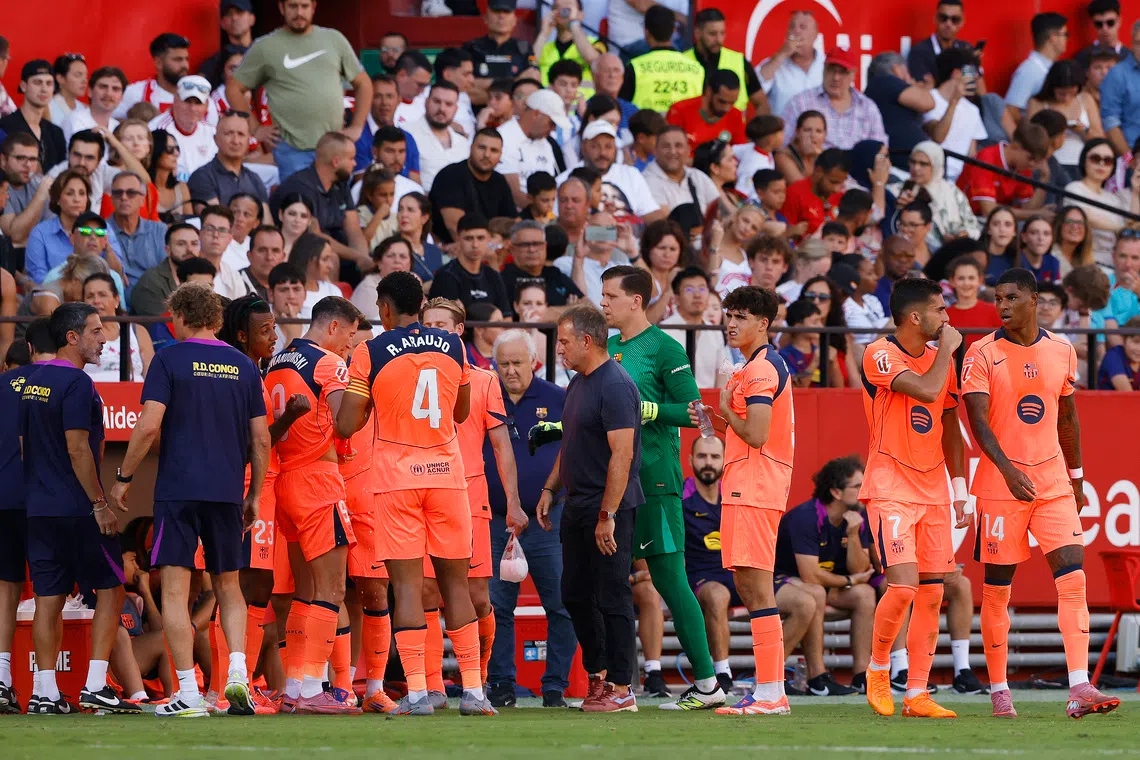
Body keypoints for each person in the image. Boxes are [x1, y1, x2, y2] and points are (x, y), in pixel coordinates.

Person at [960, 268, 1120, 719]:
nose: (1003, 305)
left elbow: (1067, 417)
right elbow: (978, 420)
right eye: (998, 298)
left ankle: (1078, 687)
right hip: (1000, 485)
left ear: (1034, 300)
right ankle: (999, 689)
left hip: (1052, 483)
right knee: (997, 591)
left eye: (1011, 297)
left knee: (1073, 578)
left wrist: (1077, 476)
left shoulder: (1062, 349)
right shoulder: (981, 353)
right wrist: (1007, 470)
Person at [336, 271, 495, 717]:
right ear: (422, 305)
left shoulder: (370, 351)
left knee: (406, 586)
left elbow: (346, 425)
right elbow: (461, 411)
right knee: (455, 585)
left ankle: (421, 693)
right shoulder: (454, 346)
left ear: (385, 309)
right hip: (447, 476)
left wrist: (373, 404)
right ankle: (473, 692)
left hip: (396, 480)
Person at [108, 283, 268, 716]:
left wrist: (123, 477)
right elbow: (261, 439)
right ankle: (237, 676)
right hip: (226, 491)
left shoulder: (169, 358)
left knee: (176, 593)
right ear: (216, 320)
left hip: (178, 491)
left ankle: (189, 695)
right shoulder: (244, 365)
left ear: (178, 316)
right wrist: (253, 494)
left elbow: (146, 427)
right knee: (230, 587)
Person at [594, 267, 725, 710]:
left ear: (637, 301)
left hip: (655, 478)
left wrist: (649, 408)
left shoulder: (666, 348)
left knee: (670, 581)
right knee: (603, 581)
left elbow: (696, 414)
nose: (603, 303)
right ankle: (612, 686)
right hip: (612, 476)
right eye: (602, 295)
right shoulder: (607, 347)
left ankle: (708, 685)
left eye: (610, 295)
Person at [17, 304, 138, 715]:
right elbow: (77, 447)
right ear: (72, 337)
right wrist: (100, 504)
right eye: (96, 330)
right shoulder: (79, 385)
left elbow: (22, 445)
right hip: (78, 508)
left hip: (38, 508)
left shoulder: (30, 383)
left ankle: (44, 692)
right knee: (113, 587)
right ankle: (94, 684)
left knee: (48, 597)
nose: (104, 338)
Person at [859, 276, 969, 719]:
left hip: (934, 490)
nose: (948, 318)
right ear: (915, 317)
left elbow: (949, 424)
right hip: (891, 486)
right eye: (941, 310)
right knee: (902, 586)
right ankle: (879, 668)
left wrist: (960, 490)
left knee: (932, 594)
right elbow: (924, 390)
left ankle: (917, 694)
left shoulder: (943, 359)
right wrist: (947, 349)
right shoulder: (879, 353)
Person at [686, 286, 794, 716]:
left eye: (742, 317)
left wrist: (727, 413)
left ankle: (771, 691)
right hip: (748, 482)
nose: (732, 324)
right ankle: (770, 689)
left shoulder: (761, 369)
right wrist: (721, 418)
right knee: (750, 586)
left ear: (764, 324)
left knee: (754, 585)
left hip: (756, 485)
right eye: (729, 315)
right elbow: (745, 434)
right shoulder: (753, 367)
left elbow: (757, 434)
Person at [532, 305, 641, 713]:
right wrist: (549, 488)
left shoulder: (615, 385)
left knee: (613, 595)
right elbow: (571, 443)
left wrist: (608, 515)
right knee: (574, 594)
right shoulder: (578, 383)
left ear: (586, 341)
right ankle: (597, 677)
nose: (559, 348)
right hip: (577, 505)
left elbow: (622, 455)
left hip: (608, 508)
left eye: (563, 341)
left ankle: (622, 687)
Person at [420, 299, 526, 706]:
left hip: (470, 499)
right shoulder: (411, 376)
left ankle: (476, 681)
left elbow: (501, 446)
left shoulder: (483, 380)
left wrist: (514, 503)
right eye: (428, 325)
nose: (435, 331)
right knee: (428, 592)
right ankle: (431, 685)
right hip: (425, 495)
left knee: (479, 596)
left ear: (459, 329)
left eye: (442, 325)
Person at [264, 295, 363, 714]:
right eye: (351, 336)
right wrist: (367, 392)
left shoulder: (277, 362)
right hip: (319, 481)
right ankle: (310, 689)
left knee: (304, 592)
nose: (350, 346)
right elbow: (344, 422)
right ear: (335, 327)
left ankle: (293, 686)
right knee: (332, 589)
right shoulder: (328, 363)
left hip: (285, 479)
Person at [485, 329, 577, 707]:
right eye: (503, 363)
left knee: (560, 604)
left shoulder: (559, 398)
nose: (510, 370)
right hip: (495, 521)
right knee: (496, 608)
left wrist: (550, 494)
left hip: (547, 520)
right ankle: (502, 684)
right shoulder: (485, 399)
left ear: (534, 361)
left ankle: (554, 685)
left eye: (517, 362)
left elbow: (572, 452)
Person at [229, 0, 371, 180]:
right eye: (293, 6)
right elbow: (233, 88)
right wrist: (255, 128)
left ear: (313, 7)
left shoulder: (334, 40)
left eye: (304, 6)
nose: (299, 12)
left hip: (335, 149)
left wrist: (357, 126)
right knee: (298, 206)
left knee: (336, 207)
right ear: (281, 8)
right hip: (292, 152)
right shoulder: (265, 46)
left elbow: (364, 84)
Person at [774, 456, 874, 696]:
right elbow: (810, 575)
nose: (864, 491)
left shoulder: (856, 517)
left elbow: (861, 569)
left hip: (823, 583)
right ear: (836, 492)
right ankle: (817, 676)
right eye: (858, 486)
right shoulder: (806, 516)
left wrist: (852, 534)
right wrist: (849, 581)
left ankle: (862, 676)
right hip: (783, 582)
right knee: (816, 592)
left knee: (865, 595)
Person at [0, 319, 54, 714]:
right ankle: (43, 688)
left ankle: (2, 680)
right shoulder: (59, 382)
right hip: (46, 501)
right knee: (48, 595)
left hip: (6, 498)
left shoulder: (2, 385)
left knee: (7, 591)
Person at [270, 132, 369, 269]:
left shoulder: (340, 184)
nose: (355, 163)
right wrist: (357, 257)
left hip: (342, 251)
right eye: (351, 158)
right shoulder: (301, 187)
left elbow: (354, 230)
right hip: (302, 255)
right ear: (336, 161)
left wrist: (364, 262)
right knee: (330, 258)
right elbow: (316, 236)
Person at [781, 48, 888, 152]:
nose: (836, 77)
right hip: (812, 167)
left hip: (857, 168)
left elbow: (880, 150)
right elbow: (781, 147)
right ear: (823, 69)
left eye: (843, 72)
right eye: (831, 69)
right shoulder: (800, 103)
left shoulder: (868, 108)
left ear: (853, 74)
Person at [429, 128, 517, 245]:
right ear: (471, 148)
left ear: (500, 155)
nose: (487, 155)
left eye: (494, 150)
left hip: (491, 247)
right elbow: (456, 228)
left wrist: (500, 240)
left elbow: (512, 223)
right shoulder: (450, 175)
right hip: (452, 249)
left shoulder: (499, 181)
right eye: (482, 148)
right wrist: (490, 244)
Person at [1064, 138, 1140, 266]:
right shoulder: (1074, 188)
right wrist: (1122, 228)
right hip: (1085, 260)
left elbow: (1134, 226)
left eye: (1108, 161)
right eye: (1095, 158)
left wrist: (1136, 192)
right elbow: (1086, 218)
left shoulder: (1114, 198)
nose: (1101, 164)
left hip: (1115, 264)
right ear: (1084, 160)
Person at [893, 142, 980, 248]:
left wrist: (961, 236)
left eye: (923, 164)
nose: (916, 168)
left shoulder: (952, 192)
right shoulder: (898, 190)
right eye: (913, 162)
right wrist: (900, 208)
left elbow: (973, 227)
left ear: (936, 165)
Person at [621, 6, 705, 115]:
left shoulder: (635, 67)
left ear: (646, 32)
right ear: (674, 30)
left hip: (644, 130)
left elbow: (623, 107)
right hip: (684, 130)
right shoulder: (697, 69)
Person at [957, 121, 1050, 218]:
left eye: (1037, 160)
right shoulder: (987, 158)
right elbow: (988, 211)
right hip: (964, 215)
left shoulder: (1023, 168)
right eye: (1030, 158)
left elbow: (1028, 208)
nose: (1033, 164)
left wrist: (1045, 178)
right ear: (1015, 146)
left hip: (994, 222)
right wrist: (1036, 214)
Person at [496, 90, 571, 207]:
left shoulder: (546, 144)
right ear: (536, 114)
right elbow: (513, 194)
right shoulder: (504, 138)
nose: (553, 129)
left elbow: (549, 188)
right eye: (551, 123)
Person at [684, 8, 767, 113]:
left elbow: (762, 103)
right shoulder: (681, 61)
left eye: (722, 33)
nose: (719, 39)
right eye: (712, 34)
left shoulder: (739, 61)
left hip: (733, 128)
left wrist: (755, 129)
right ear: (697, 33)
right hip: (692, 127)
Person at [428, 213, 512, 315]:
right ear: (458, 239)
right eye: (468, 238)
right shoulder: (446, 275)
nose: (475, 245)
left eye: (480, 238)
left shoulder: (493, 276)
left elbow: (507, 317)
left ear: (488, 239)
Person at [923, 50, 987, 182]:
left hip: (960, 183)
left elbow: (972, 154)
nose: (976, 77)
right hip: (932, 176)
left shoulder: (972, 110)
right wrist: (954, 102)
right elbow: (938, 136)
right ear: (956, 73)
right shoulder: (928, 99)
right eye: (971, 71)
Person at [865, 52, 935, 168]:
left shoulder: (877, 86)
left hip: (904, 160)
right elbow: (928, 103)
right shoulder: (885, 80)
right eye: (907, 71)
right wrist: (915, 87)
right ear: (897, 69)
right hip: (901, 163)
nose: (910, 77)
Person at [187, 112, 269, 211]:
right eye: (229, 133)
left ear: (248, 142)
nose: (235, 140)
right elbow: (215, 222)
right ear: (215, 139)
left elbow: (267, 222)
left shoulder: (254, 179)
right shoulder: (202, 177)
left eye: (241, 134)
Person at [106, 171, 167, 302]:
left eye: (131, 193)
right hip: (115, 307)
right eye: (118, 193)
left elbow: (168, 274)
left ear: (142, 200)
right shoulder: (101, 231)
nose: (124, 197)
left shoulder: (160, 231)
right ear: (111, 198)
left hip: (154, 305)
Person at [82, 273, 153, 381]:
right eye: (90, 296)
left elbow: (152, 377)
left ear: (116, 300)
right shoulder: (77, 334)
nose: (96, 301)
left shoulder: (138, 332)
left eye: (102, 295)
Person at [661, 267, 724, 389]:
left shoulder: (715, 330)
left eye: (702, 288)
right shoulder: (664, 332)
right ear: (676, 298)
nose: (697, 295)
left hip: (708, 403)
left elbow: (721, 375)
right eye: (689, 289)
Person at [463, 0, 537, 103]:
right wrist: (515, 82)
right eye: (496, 11)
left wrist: (484, 85)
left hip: (514, 116)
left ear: (515, 20)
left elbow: (533, 80)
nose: (501, 16)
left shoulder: (524, 49)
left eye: (506, 12)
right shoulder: (471, 48)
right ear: (485, 18)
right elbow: (464, 88)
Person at [404, 83, 471, 195]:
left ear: (455, 109)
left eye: (448, 104)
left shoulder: (463, 143)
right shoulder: (407, 133)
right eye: (436, 101)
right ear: (426, 102)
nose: (442, 109)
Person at [500, 220, 582, 310]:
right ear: (512, 249)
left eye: (537, 244)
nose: (532, 249)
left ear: (545, 246)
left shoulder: (556, 275)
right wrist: (568, 310)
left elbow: (589, 309)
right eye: (524, 244)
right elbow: (531, 317)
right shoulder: (502, 280)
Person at [0, 61, 66, 170]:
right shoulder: (5, 127)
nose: (44, 89)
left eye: (49, 83)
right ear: (23, 86)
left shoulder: (56, 133)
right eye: (37, 83)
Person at [642, 126, 721, 216]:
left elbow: (718, 212)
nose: (672, 151)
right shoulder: (646, 180)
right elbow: (664, 222)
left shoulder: (698, 176)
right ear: (655, 151)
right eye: (666, 146)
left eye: (678, 146)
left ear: (688, 150)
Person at [759, 11, 825, 117]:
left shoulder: (827, 65)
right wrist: (782, 54)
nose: (796, 31)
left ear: (815, 34)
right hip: (783, 132)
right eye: (792, 27)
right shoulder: (775, 63)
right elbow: (755, 89)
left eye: (802, 27)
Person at [666, 70, 747, 156]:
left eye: (732, 103)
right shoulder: (679, 110)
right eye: (722, 102)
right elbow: (670, 154)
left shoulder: (735, 115)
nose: (727, 108)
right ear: (708, 91)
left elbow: (739, 154)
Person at [1005, 13, 1069, 121]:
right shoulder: (1029, 70)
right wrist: (1032, 133)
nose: (1067, 39)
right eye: (1065, 34)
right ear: (1053, 37)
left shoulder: (1050, 66)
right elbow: (1011, 109)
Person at [131, 223, 201, 317]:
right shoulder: (151, 281)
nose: (189, 249)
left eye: (194, 243)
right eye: (181, 244)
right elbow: (160, 327)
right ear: (168, 250)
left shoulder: (204, 277)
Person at [781, 147, 849, 237]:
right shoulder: (795, 193)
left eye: (841, 183)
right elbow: (784, 236)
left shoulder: (840, 196)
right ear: (818, 171)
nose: (836, 189)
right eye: (833, 182)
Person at [535, 0, 604, 89]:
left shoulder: (595, 44)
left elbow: (592, 58)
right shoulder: (543, 47)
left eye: (568, 8)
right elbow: (530, 64)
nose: (562, 11)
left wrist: (574, 23)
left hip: (583, 101)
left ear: (581, 15)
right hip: (549, 101)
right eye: (557, 7)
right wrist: (543, 34)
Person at [907, 0, 977, 85]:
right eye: (943, 18)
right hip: (936, 98)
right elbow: (924, 92)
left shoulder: (967, 49)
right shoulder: (920, 52)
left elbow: (974, 87)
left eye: (954, 20)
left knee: (990, 97)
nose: (948, 24)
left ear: (962, 22)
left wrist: (975, 63)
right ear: (935, 19)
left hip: (965, 97)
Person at [1099, 21, 1140, 157]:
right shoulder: (1117, 74)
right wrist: (1130, 160)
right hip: (1133, 156)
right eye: (1138, 43)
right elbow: (1110, 122)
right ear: (1131, 44)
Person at [946, 255, 1001, 347]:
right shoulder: (945, 315)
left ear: (980, 280)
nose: (966, 283)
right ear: (952, 281)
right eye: (961, 278)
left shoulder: (994, 311)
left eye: (971, 278)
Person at [62, 67, 126, 144]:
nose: (109, 93)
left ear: (122, 97)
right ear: (90, 92)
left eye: (115, 89)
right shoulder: (74, 121)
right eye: (103, 87)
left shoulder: (120, 129)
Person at [1074, 0, 1132, 69]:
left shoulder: (1131, 58)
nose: (1105, 28)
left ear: (1119, 21)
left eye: (1110, 22)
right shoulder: (1083, 57)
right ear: (1093, 24)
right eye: (1099, 24)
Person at [774, 110, 827, 185]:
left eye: (819, 131)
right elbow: (801, 188)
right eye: (807, 130)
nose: (813, 135)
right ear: (797, 132)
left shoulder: (824, 154)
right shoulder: (782, 156)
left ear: (825, 135)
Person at [1097, 315, 1140, 389]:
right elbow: (1127, 393)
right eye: (1136, 341)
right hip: (1109, 400)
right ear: (1124, 339)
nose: (1139, 349)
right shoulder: (1113, 356)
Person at [1053, 206, 1096, 276]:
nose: (1075, 226)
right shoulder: (1049, 254)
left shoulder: (1088, 262)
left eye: (1080, 222)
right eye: (1069, 221)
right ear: (1059, 225)